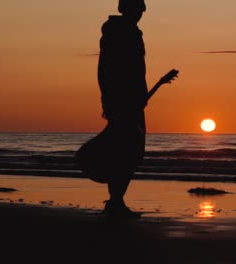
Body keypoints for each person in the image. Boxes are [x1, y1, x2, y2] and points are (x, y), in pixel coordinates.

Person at [96, 0, 149, 218]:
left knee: (131, 151)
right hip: (121, 101)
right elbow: (106, 69)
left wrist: (142, 93)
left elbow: (138, 71)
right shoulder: (116, 33)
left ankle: (117, 201)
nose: (138, 14)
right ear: (124, 9)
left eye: (140, 10)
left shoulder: (134, 33)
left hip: (135, 101)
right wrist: (109, 101)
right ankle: (115, 202)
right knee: (124, 152)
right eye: (135, 9)